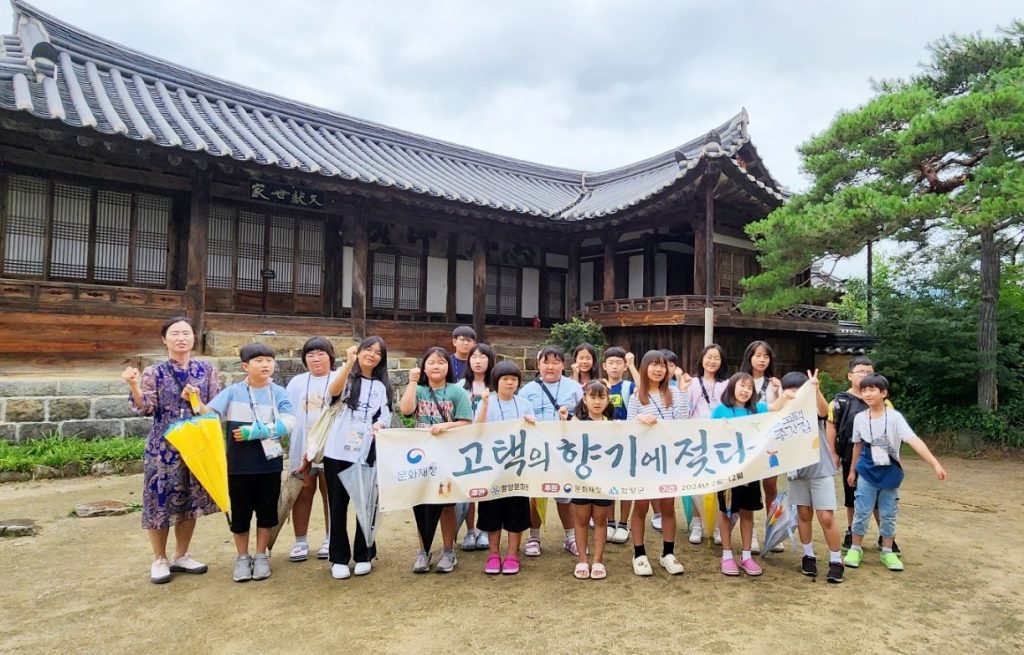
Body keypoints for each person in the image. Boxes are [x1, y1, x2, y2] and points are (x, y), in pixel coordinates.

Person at [122, 316, 221, 584]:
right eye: (175, 333)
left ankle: (181, 555)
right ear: (164, 340)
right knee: (159, 500)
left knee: (190, 499)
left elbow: (214, 410)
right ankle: (159, 558)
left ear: (193, 338)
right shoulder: (154, 372)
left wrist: (196, 400)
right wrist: (133, 385)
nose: (181, 338)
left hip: (195, 444)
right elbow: (145, 408)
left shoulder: (207, 370)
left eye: (186, 333)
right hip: (163, 447)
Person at [201, 343, 296, 583]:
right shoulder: (233, 392)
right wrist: (194, 400)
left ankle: (261, 555)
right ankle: (242, 557)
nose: (265, 365)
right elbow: (209, 415)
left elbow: (290, 421)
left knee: (267, 512)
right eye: (259, 361)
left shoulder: (278, 392)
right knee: (241, 513)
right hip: (239, 465)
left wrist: (255, 432)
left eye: (269, 360)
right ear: (245, 366)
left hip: (269, 465)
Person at [844, 374, 948, 572]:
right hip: (866, 471)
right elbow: (857, 445)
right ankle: (855, 548)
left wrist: (935, 463)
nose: (867, 394)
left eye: (872, 389)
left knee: (888, 513)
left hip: (890, 472)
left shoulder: (894, 417)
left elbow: (913, 440)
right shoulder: (859, 418)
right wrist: (852, 471)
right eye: (864, 390)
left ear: (883, 393)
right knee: (862, 510)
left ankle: (887, 551)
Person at [319, 337, 393, 579]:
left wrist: (380, 425)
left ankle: (364, 554)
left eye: (378, 353)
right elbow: (332, 394)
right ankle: (338, 557)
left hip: (366, 452)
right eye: (368, 350)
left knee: (366, 505)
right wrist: (348, 364)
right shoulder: (344, 376)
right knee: (337, 505)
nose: (372, 355)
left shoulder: (382, 386)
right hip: (337, 451)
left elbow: (386, 414)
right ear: (358, 352)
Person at [399, 346, 473, 573]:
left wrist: (446, 426)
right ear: (424, 367)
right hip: (421, 458)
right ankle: (424, 551)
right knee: (421, 503)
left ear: (448, 367)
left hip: (448, 456)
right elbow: (406, 410)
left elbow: (466, 422)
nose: (436, 366)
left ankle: (448, 551)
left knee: (447, 503)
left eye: (441, 362)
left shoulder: (456, 392)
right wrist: (412, 382)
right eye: (431, 362)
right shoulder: (419, 390)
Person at [626, 350, 690, 577]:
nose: (658, 369)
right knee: (641, 506)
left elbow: (682, 420)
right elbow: (628, 427)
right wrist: (638, 419)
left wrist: (683, 390)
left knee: (667, 506)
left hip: (668, 459)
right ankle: (639, 553)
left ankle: (668, 553)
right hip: (645, 460)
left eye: (662, 365)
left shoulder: (674, 392)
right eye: (653, 364)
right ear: (644, 368)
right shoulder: (637, 396)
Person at [827, 356, 899, 553]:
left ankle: (886, 536)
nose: (865, 375)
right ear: (850, 375)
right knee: (852, 497)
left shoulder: (884, 402)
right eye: (861, 372)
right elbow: (831, 426)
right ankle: (852, 532)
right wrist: (833, 452)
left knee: (880, 498)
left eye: (869, 372)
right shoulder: (839, 401)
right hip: (850, 456)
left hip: (879, 458)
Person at [779, 370, 845, 583]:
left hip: (821, 470)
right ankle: (808, 556)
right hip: (797, 472)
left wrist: (816, 390)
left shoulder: (812, 411)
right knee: (803, 513)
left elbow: (825, 411)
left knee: (826, 516)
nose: (794, 394)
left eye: (799, 390)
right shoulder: (781, 414)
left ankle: (836, 560)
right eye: (789, 390)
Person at [519, 346, 584, 557]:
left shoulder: (574, 388)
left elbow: (583, 417)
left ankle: (570, 537)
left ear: (563, 365)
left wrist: (568, 418)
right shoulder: (527, 390)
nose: (550, 367)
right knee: (536, 494)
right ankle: (534, 537)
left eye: (556, 362)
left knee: (565, 494)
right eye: (546, 362)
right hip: (536, 451)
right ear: (538, 365)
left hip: (565, 450)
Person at [474, 360, 536, 575]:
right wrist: (483, 405)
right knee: (492, 511)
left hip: (518, 468)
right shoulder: (487, 402)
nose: (510, 383)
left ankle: (512, 554)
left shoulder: (524, 403)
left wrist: (531, 422)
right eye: (505, 379)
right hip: (492, 469)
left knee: (516, 512)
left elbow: (534, 434)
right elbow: (476, 431)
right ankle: (493, 554)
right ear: (496, 381)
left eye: (514, 379)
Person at [284, 337, 337, 563]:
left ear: (331, 356)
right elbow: (286, 411)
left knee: (330, 493)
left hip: (331, 446)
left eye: (321, 354)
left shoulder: (339, 378)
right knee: (302, 493)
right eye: (311, 354)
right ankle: (300, 541)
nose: (316, 359)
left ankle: (330, 538)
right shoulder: (297, 382)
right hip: (302, 445)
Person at [712, 372, 767, 577]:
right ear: (732, 387)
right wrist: (721, 428)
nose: (745, 391)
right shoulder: (721, 410)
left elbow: (778, 409)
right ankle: (727, 555)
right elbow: (711, 435)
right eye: (741, 386)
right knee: (726, 511)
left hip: (750, 470)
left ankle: (746, 555)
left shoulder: (757, 410)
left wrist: (788, 395)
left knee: (747, 511)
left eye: (749, 387)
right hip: (727, 471)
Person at [739, 340, 782, 553]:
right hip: (747, 443)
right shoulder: (740, 381)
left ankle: (774, 531)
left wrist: (778, 391)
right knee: (749, 489)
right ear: (749, 357)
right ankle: (752, 533)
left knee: (771, 487)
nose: (762, 360)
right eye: (757, 355)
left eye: (766, 356)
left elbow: (782, 408)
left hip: (770, 442)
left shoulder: (774, 383)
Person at [570, 381, 615, 580]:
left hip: (603, 480)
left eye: (601, 397)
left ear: (608, 400)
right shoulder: (576, 422)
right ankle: (582, 560)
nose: (597, 402)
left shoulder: (612, 425)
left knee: (600, 520)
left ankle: (598, 560)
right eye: (593, 397)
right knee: (580, 521)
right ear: (584, 399)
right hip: (580, 479)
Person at [686, 343, 728, 545]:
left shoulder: (727, 384)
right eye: (709, 357)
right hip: (697, 440)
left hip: (720, 442)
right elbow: (686, 410)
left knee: (720, 485)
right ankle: (697, 523)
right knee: (697, 482)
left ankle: (718, 526)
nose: (712, 361)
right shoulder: (692, 383)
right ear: (702, 359)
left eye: (716, 358)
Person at [459, 343, 496, 551]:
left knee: (486, 489)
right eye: (474, 357)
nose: (478, 361)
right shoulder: (460, 386)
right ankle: (470, 530)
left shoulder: (496, 385)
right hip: (467, 445)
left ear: (490, 361)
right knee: (469, 490)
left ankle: (484, 529)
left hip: (491, 445)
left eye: (482, 357)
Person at [602, 346, 633, 544]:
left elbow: (643, 392)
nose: (614, 367)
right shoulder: (599, 386)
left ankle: (623, 523)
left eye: (619, 363)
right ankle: (610, 522)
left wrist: (634, 366)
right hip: (605, 444)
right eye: (611, 363)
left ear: (625, 366)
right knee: (608, 484)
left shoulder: (629, 386)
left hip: (627, 443)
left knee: (626, 484)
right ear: (604, 366)